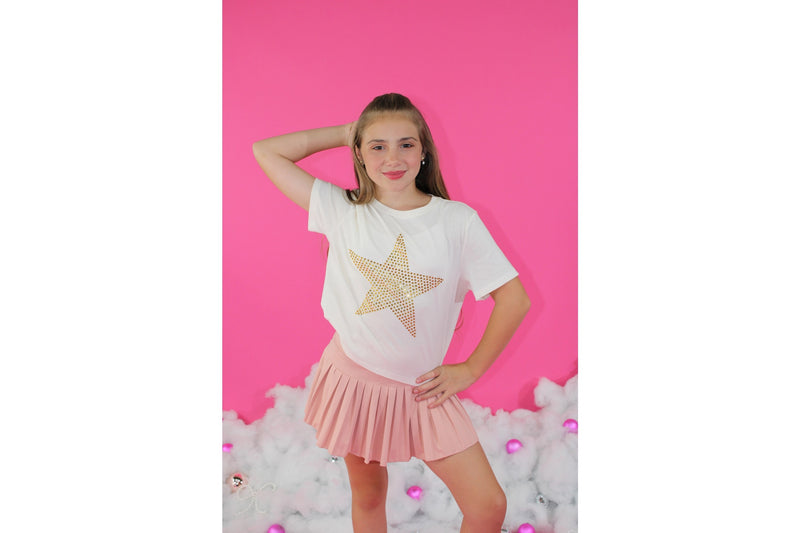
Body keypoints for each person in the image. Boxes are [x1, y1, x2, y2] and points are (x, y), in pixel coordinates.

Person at [252, 93, 530, 533]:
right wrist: (347, 132)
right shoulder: (343, 210)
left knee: (488, 505)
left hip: (423, 391)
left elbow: (515, 299)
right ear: (360, 155)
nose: (393, 158)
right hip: (355, 380)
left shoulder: (457, 221)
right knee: (368, 495)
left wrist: (471, 369)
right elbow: (266, 151)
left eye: (406, 144)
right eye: (377, 146)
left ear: (424, 152)